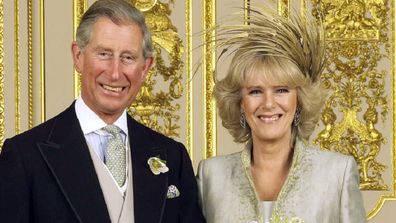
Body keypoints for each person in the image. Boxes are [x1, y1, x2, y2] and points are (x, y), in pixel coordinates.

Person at [0, 0, 205, 222]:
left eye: (128, 57)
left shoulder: (173, 157)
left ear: (145, 67)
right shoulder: (24, 156)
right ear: (78, 56)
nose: (115, 73)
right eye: (104, 54)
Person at [196, 7, 367, 223]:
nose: (268, 104)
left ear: (300, 100)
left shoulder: (337, 173)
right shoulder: (211, 176)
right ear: (240, 103)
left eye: (281, 90)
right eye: (255, 91)